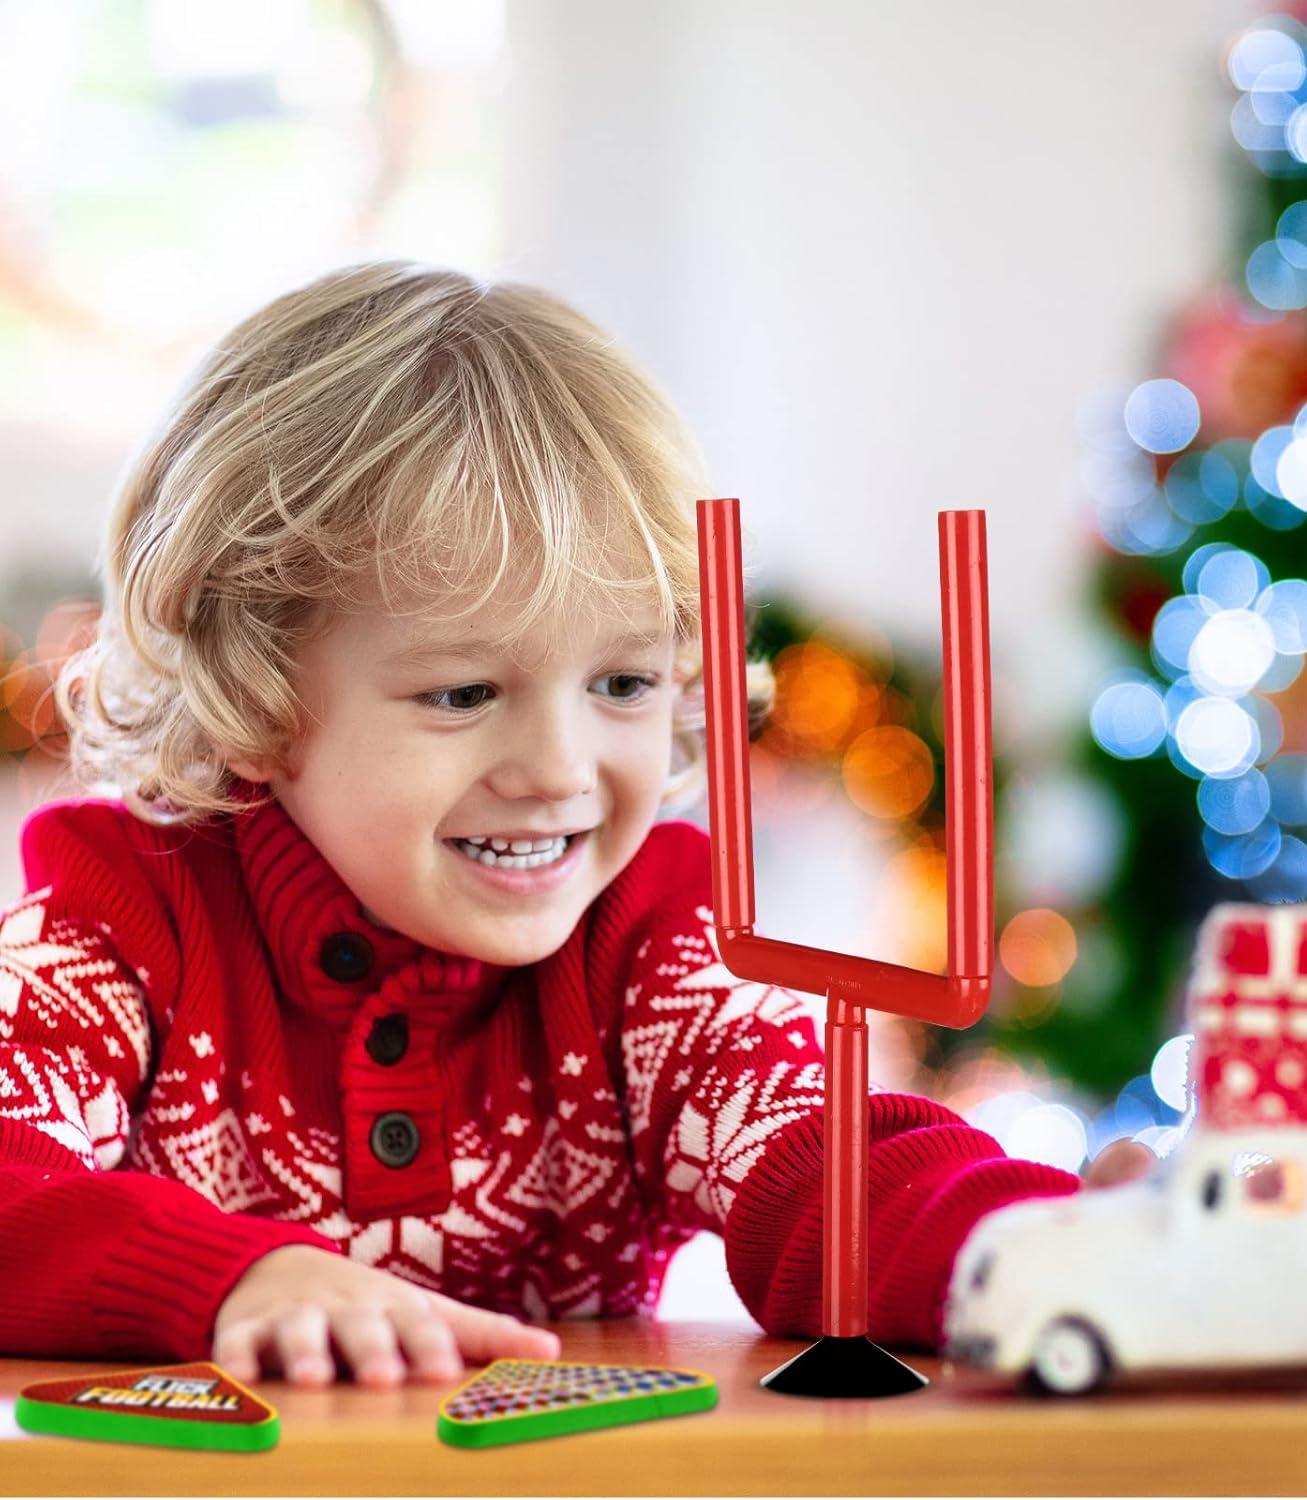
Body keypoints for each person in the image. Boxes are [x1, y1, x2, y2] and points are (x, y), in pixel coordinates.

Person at [0, 262, 1149, 1388]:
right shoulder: (116, 943)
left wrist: (1041, 1247)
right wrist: (228, 1282)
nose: (560, 770)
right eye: (462, 695)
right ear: (254, 698)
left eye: (625, 685)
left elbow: (822, 1166)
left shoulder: (648, 959)